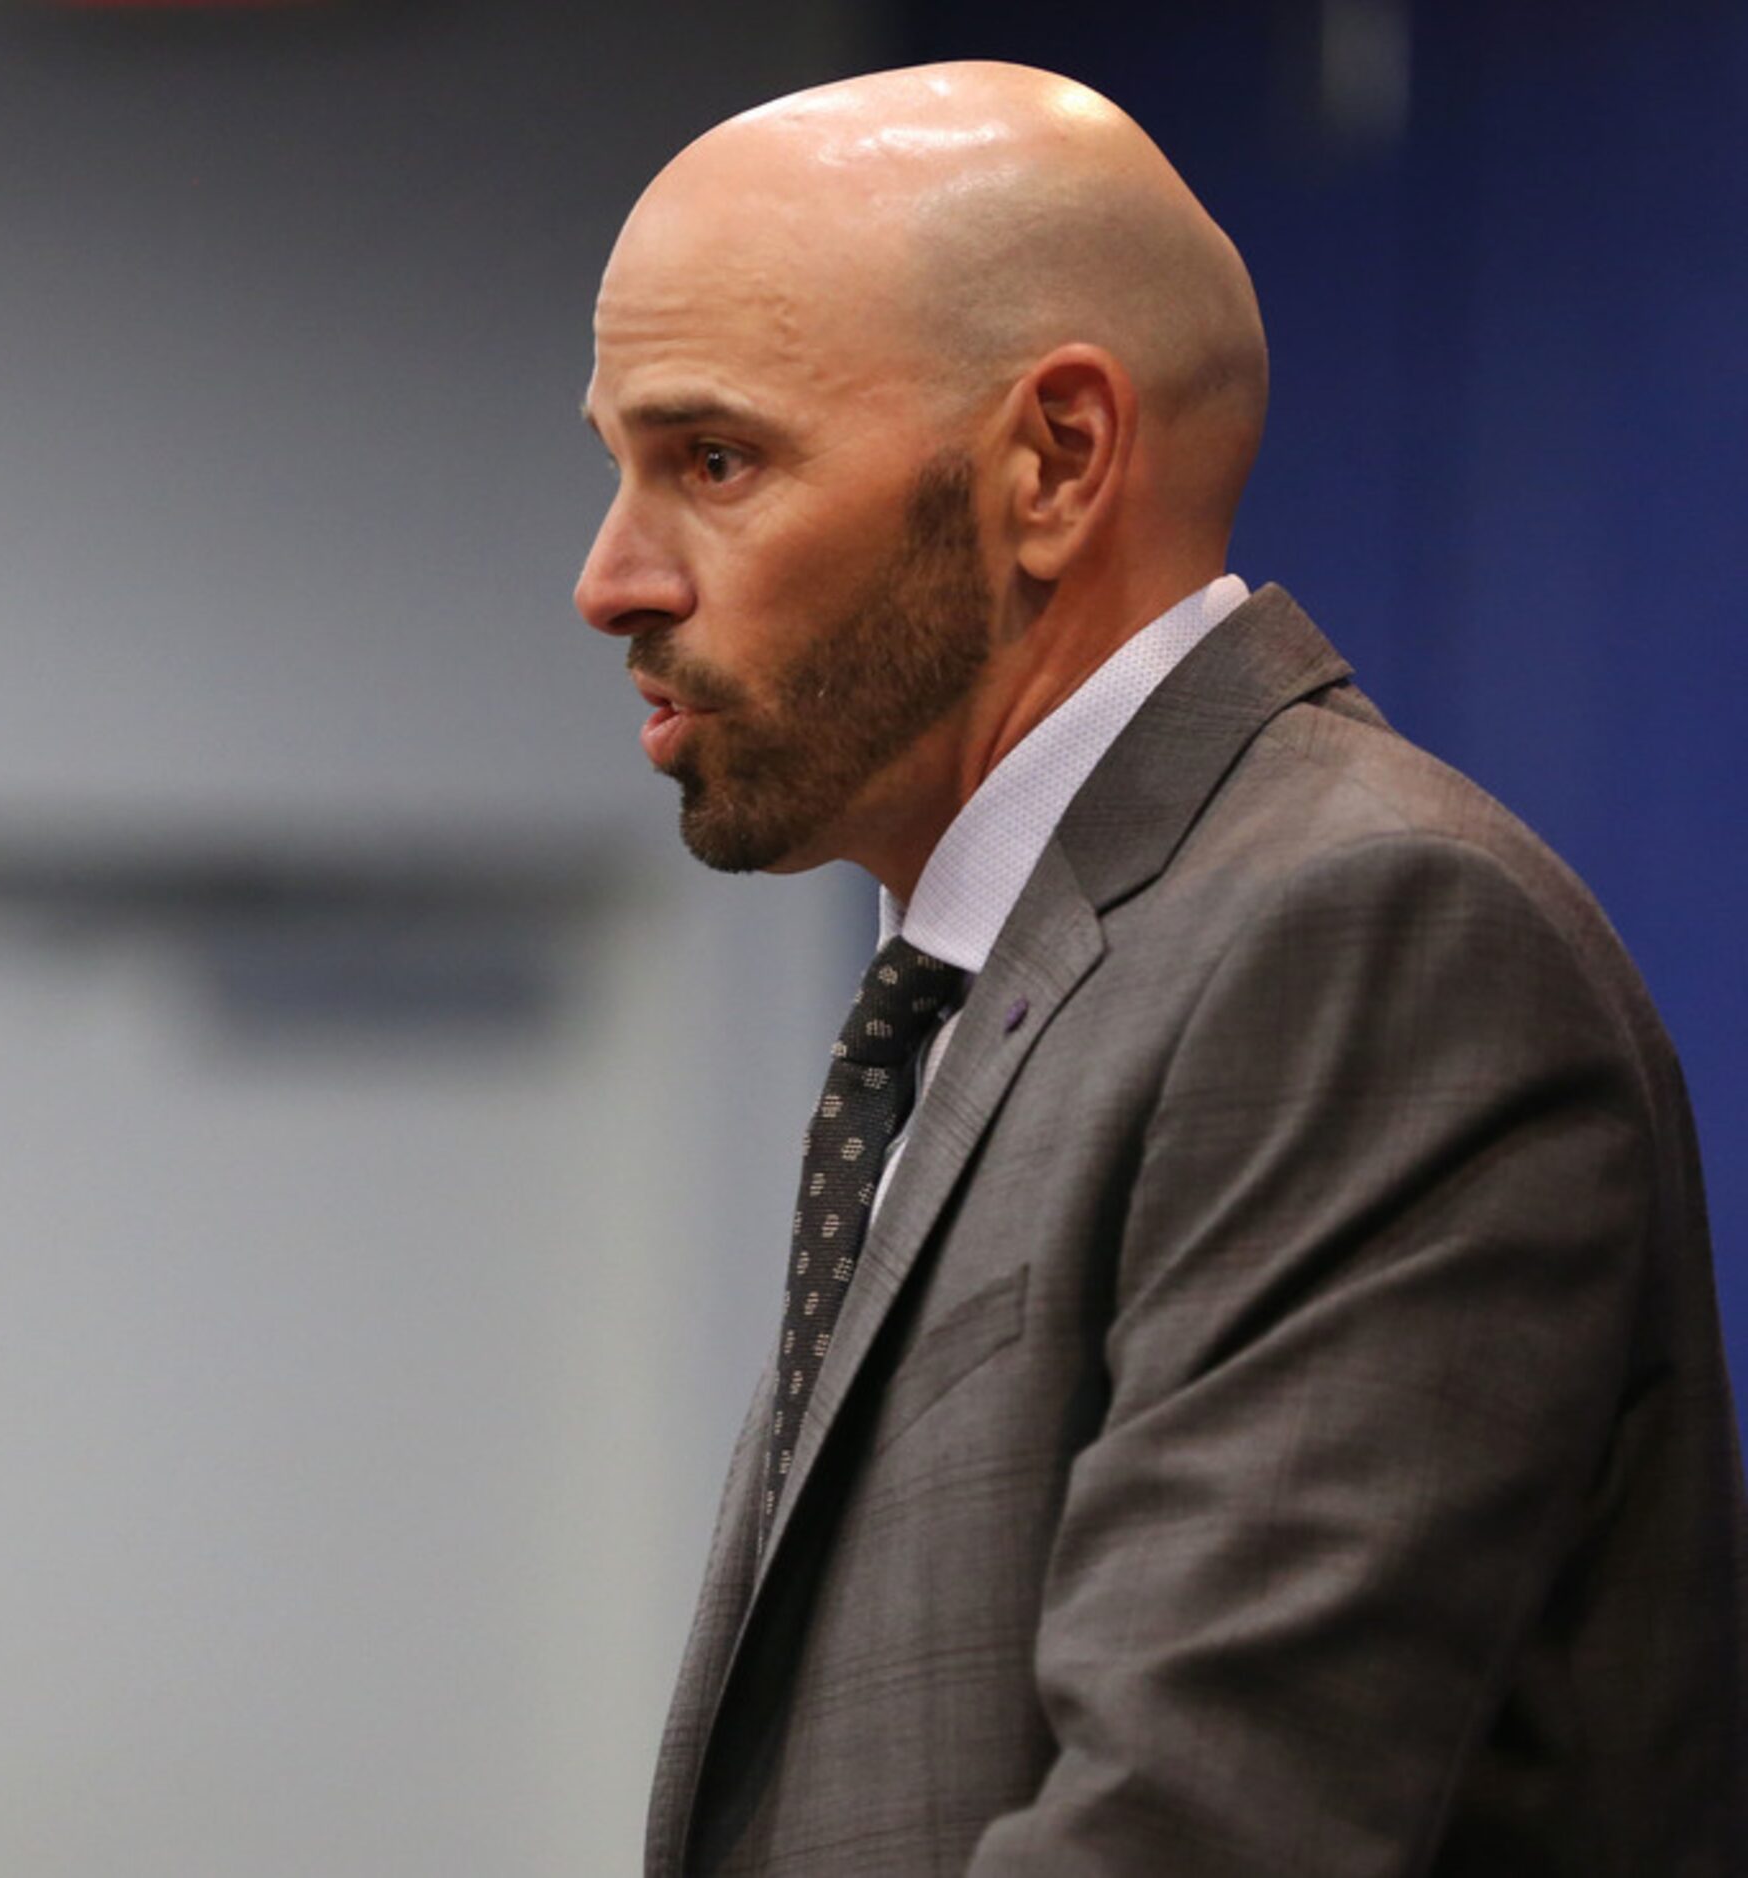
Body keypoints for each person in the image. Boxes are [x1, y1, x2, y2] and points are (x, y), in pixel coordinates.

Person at [575, 61, 1748, 1876]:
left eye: (711, 460)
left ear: (1051, 462)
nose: (613, 576)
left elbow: (1202, 1831)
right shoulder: (1006, 989)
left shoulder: (1357, 942)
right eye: (620, 468)